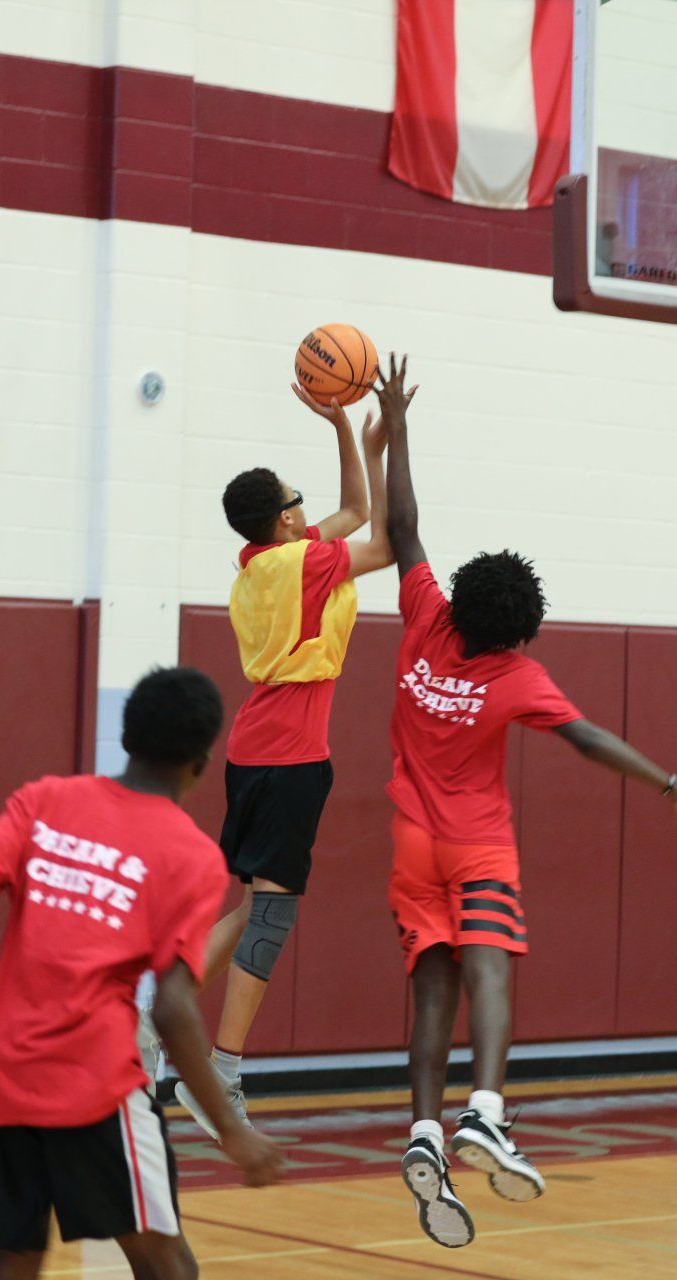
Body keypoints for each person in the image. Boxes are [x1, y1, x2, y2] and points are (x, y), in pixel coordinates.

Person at [372, 355, 677, 1247]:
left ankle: (423, 1132)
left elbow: (402, 525)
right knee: (490, 970)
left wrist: (398, 424)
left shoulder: (426, 616)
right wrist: (670, 785)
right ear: (520, 633)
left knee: (431, 992)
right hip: (478, 844)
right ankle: (486, 1113)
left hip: (411, 844)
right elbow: (587, 739)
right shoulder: (517, 677)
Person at [0, 667, 285, 1279]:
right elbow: (172, 1006)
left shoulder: (48, 798)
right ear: (202, 763)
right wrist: (232, 1130)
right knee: (167, 1265)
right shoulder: (191, 855)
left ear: (126, 738)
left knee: (10, 1262)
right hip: (93, 1086)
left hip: (6, 1075)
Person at [169, 381, 395, 1137]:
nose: (309, 508)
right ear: (289, 518)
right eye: (299, 500)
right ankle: (220, 1073)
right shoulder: (303, 564)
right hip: (290, 753)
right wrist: (385, 449)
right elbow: (386, 538)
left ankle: (148, 1018)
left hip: (256, 748)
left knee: (250, 907)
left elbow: (354, 513)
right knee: (273, 912)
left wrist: (346, 430)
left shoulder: (264, 564)